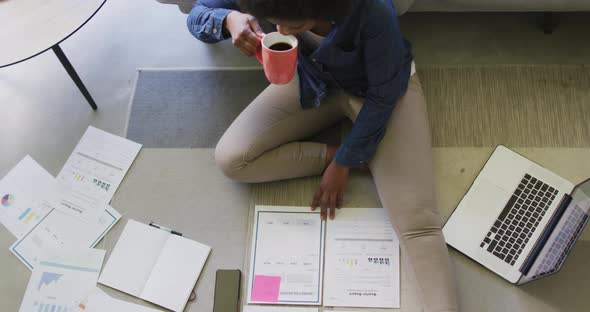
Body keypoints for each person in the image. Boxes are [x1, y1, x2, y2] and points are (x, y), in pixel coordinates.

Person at [187, 0, 458, 311]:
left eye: (295, 25)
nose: (282, 31)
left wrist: (345, 160)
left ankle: (359, 157)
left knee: (418, 224)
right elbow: (198, 14)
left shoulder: (373, 11)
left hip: (378, 91)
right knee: (232, 159)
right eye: (275, 21)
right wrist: (229, 19)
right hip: (313, 80)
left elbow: (384, 95)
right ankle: (357, 159)